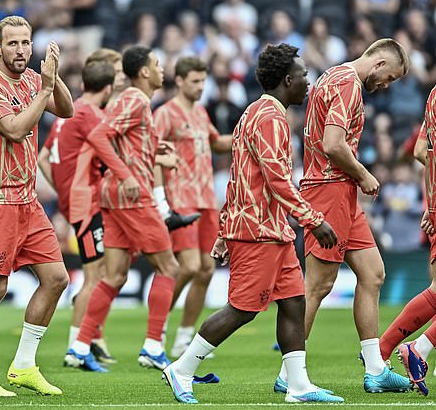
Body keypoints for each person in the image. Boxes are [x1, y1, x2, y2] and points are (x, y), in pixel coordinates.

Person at [162, 43, 342, 404]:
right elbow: (277, 180)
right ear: (288, 79)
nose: (308, 83)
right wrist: (313, 220)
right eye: (304, 76)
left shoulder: (254, 113)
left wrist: (223, 229)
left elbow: (237, 176)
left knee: (293, 303)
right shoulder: (270, 119)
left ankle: (298, 386)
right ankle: (181, 368)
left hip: (270, 230)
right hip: (257, 232)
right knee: (242, 309)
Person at [275, 38, 413, 394]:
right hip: (329, 189)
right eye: (390, 78)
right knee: (317, 286)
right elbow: (333, 144)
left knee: (373, 274)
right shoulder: (349, 84)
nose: (386, 86)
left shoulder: (333, 76)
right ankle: (290, 375)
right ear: (379, 63)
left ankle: (375, 369)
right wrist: (364, 173)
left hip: (341, 192)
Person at [0, 15, 73, 397]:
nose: (21, 50)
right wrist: (43, 92)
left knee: (57, 278)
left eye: (26, 43)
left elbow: (67, 110)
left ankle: (24, 365)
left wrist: (53, 77)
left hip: (27, 201)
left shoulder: (32, 79)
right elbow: (14, 129)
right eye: (12, 44)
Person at [64, 45, 180, 372]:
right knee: (169, 268)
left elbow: (123, 141)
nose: (161, 69)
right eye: (157, 64)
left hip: (112, 196)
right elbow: (99, 136)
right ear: (144, 72)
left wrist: (157, 149)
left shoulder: (132, 101)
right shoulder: (135, 99)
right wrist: (127, 175)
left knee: (114, 275)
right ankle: (153, 347)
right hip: (132, 194)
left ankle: (80, 346)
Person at [37, 60, 118, 365]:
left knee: (99, 273)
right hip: (87, 202)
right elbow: (114, 154)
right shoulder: (92, 115)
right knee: (95, 276)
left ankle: (90, 338)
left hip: (76, 199)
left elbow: (44, 157)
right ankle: (76, 349)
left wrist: (63, 189)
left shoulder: (69, 111)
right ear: (108, 88)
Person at [151, 56, 232, 358]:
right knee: (189, 266)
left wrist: (246, 134)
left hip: (206, 198)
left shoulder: (200, 112)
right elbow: (150, 150)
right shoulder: (165, 114)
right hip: (179, 197)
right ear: (180, 80)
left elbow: (216, 142)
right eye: (195, 81)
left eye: (203, 81)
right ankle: (155, 330)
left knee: (207, 269)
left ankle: (184, 337)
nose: (201, 87)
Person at [377, 87, 436, 397]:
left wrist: (431, 202)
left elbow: (419, 151)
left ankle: (382, 350)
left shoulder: (433, 96)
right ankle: (420, 348)